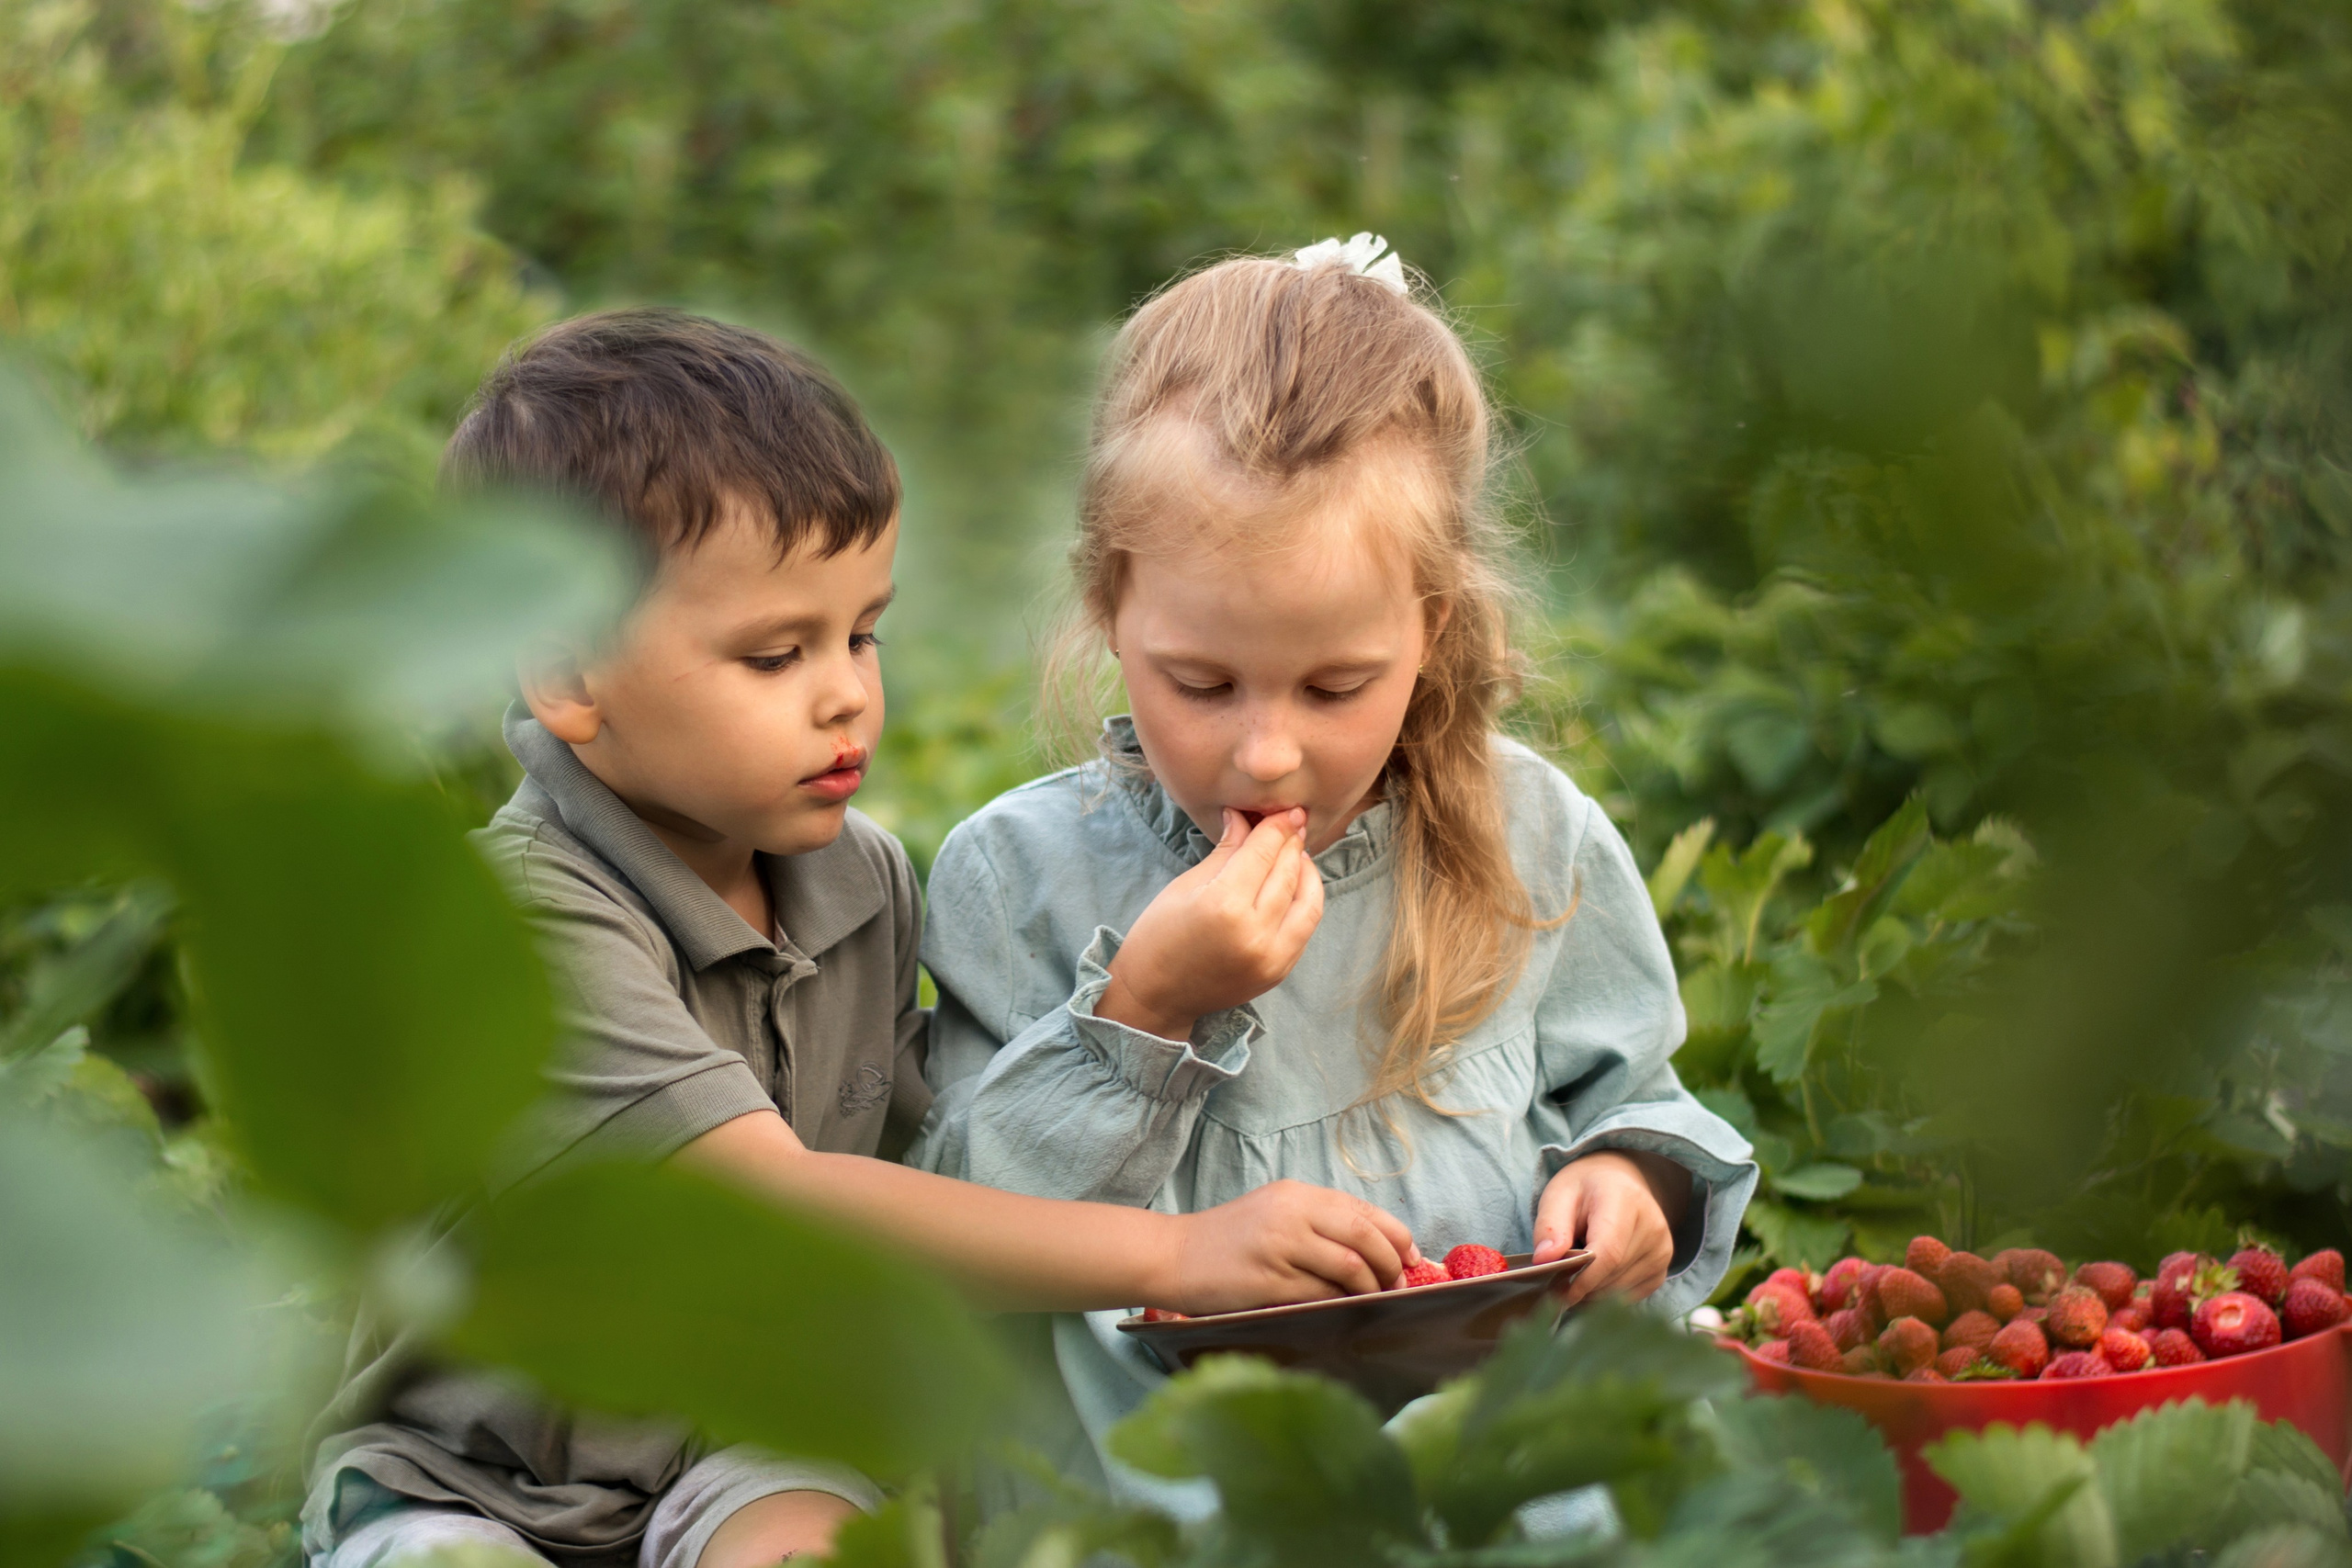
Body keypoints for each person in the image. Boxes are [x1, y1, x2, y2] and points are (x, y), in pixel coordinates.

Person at [301, 309, 1419, 1568]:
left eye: (860, 632)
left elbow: (935, 1194)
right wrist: (1173, 1251)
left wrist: (1145, 1014)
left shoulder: (863, 882)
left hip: (744, 1439)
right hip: (480, 1476)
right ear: (569, 681)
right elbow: (783, 1207)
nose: (845, 692)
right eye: (776, 653)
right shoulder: (524, 918)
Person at [908, 239, 1758, 1502]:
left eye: (1336, 686)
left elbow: (1637, 1093)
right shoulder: (1017, 879)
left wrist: (1631, 1183)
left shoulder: (1530, 835)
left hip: (1502, 1471)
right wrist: (1140, 1011)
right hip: (1163, 1496)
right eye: (1201, 683)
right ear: (1106, 608)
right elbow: (960, 1238)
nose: (1267, 751)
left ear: (1437, 626)